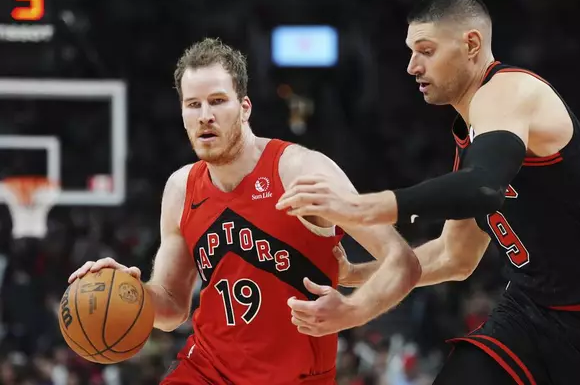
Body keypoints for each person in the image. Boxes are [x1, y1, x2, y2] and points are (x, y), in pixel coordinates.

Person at [276, 0, 580, 384]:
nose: (412, 66)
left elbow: (484, 187)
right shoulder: (471, 138)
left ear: (470, 45)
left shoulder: (510, 91)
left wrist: (361, 208)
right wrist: (356, 273)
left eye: (426, 51)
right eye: (410, 52)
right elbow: (455, 256)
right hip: (531, 311)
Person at [67, 38, 421, 385]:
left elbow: (402, 261)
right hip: (206, 371)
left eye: (218, 101)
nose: (205, 116)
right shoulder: (180, 188)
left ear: (245, 107)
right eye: (193, 105)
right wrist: (129, 293)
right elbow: (173, 306)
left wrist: (353, 312)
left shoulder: (302, 171)